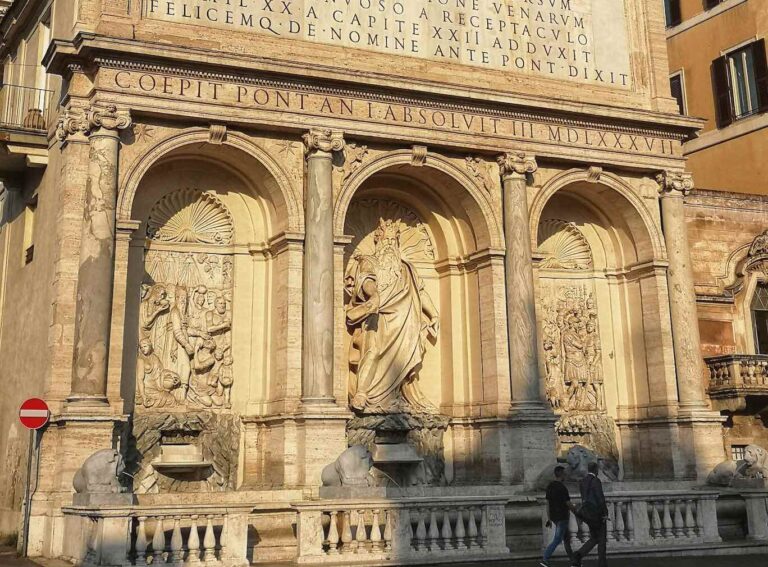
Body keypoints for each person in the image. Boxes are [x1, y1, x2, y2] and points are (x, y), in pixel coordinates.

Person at [572, 461, 609, 567]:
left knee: (594, 538)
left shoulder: (583, 481)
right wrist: (605, 512)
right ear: (596, 470)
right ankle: (602, 564)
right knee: (601, 540)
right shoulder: (596, 481)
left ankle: (578, 555)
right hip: (597, 514)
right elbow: (600, 498)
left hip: (587, 514)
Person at [541, 465, 575, 567]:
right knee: (558, 539)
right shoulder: (562, 488)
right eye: (564, 473)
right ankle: (545, 558)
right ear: (561, 474)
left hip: (554, 517)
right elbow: (568, 503)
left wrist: (549, 518)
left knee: (567, 539)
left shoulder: (550, 486)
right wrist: (576, 511)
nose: (566, 475)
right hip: (562, 516)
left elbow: (548, 503)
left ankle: (573, 560)